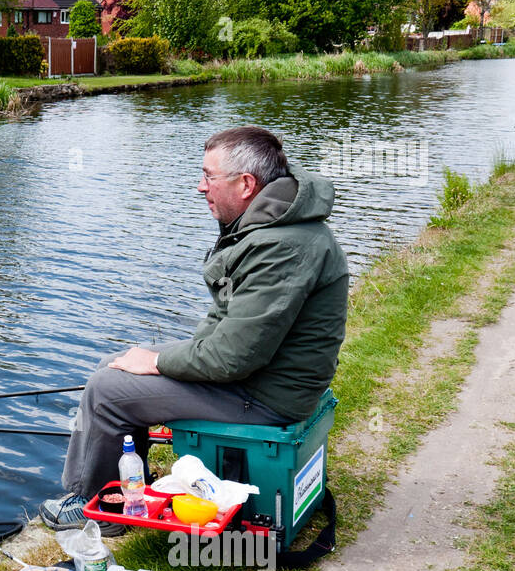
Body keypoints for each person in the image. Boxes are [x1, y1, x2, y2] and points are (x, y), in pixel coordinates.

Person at [41, 125, 349, 533]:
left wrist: (157, 361)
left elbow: (233, 358)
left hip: (267, 394)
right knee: (114, 365)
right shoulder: (271, 227)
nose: (199, 187)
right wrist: (158, 363)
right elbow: (229, 322)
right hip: (263, 378)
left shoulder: (282, 246)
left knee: (106, 391)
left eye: (208, 176)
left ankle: (99, 507)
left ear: (245, 184)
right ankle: (132, 487)